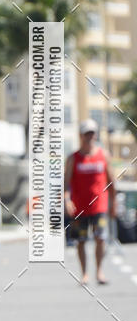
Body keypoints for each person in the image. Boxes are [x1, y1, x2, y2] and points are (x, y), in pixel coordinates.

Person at [64, 119, 117, 284]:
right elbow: (65, 183)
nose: (90, 136)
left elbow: (111, 181)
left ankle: (99, 271)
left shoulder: (103, 155)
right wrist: (66, 200)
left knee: (100, 237)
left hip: (99, 206)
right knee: (81, 240)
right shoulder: (73, 158)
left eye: (92, 133)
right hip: (79, 207)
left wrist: (114, 203)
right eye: (86, 133)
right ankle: (84, 274)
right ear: (80, 136)